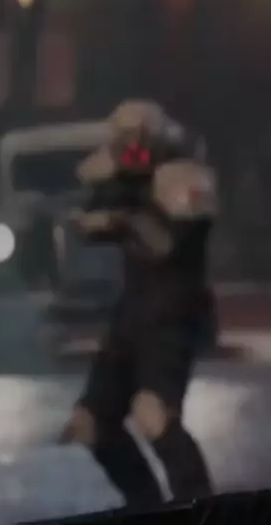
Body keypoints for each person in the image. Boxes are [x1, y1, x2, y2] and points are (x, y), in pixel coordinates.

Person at [60, 99, 216, 507]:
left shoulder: (182, 174)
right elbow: (87, 219)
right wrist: (106, 210)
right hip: (132, 311)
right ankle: (145, 503)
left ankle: (198, 503)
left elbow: (167, 242)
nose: (134, 149)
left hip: (174, 313)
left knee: (154, 413)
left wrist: (120, 220)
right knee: (91, 422)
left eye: (140, 139)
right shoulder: (121, 177)